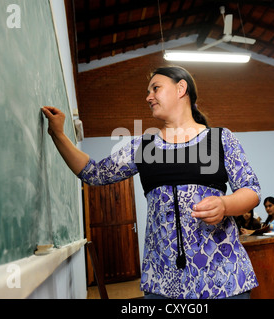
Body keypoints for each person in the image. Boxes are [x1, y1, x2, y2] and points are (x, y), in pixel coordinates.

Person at [41, 66, 261, 299]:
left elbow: (251, 190)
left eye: (155, 88)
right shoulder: (143, 147)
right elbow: (93, 173)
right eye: (148, 92)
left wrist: (225, 205)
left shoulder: (220, 138)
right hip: (162, 283)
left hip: (223, 278)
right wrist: (58, 135)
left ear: (181, 88)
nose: (148, 97)